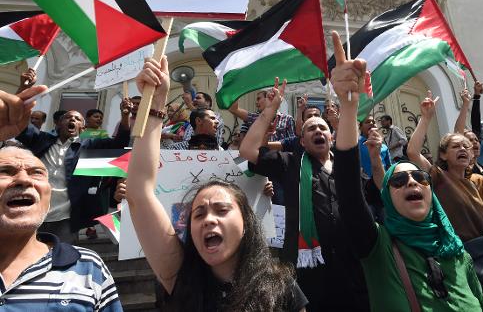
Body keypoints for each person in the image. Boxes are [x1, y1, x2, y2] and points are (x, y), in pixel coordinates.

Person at [126, 56, 308, 311]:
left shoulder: (281, 285)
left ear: (246, 221)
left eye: (222, 210)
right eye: (198, 213)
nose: (209, 219)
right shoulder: (180, 277)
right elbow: (139, 194)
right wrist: (156, 104)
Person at [330, 33, 483, 311]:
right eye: (399, 180)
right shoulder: (378, 247)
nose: (411, 181)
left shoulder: (458, 252)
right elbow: (349, 192)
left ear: (430, 189)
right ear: (387, 197)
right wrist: (349, 106)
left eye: (420, 177)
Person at [239, 74, 372, 309]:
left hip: (350, 266)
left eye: (323, 127)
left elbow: (373, 194)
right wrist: (269, 110)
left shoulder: (349, 169)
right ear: (302, 141)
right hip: (305, 270)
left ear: (331, 137)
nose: (318, 131)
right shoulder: (290, 163)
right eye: (310, 129)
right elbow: (249, 150)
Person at [408, 91, 483, 312]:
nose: (463, 149)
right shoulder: (437, 176)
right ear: (443, 155)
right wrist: (426, 118)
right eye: (455, 146)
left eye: (466, 147)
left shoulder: (479, 181)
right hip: (453, 261)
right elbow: (413, 151)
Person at [0, 146, 122, 311]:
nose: (25, 180)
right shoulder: (45, 142)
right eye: (5, 171)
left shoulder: (89, 266)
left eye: (37, 172)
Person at [15, 102, 131, 244]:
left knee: (61, 258)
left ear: (83, 128)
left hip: (66, 218)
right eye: (68, 117)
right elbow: (20, 126)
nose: (72, 120)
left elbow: (119, 143)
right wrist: (22, 97)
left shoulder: (89, 146)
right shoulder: (42, 139)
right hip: (34, 211)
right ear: (59, 123)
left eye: (77, 119)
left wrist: (125, 116)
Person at [230, 90, 296, 142]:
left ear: (269, 99)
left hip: (280, 158)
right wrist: (236, 92)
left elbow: (292, 144)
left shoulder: (288, 119)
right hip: (259, 158)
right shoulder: (255, 118)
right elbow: (234, 109)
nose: (256, 102)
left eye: (258, 99)